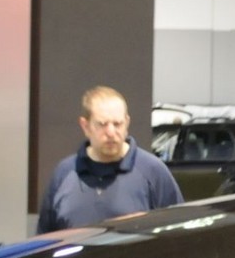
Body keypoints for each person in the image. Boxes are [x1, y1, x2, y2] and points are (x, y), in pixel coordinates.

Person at [37, 85, 183, 232]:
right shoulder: (64, 173)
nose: (111, 132)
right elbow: (45, 240)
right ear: (85, 126)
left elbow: (178, 233)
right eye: (102, 124)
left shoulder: (153, 172)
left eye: (117, 124)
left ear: (127, 123)